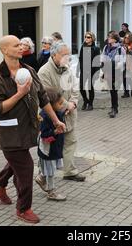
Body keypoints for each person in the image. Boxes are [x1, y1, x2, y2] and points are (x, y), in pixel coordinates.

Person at [0, 35, 66, 224]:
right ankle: (23, 209)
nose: (21, 47)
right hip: (9, 134)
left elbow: (43, 97)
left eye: (21, 44)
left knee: (17, 161)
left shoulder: (29, 70)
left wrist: (55, 121)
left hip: (28, 130)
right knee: (26, 167)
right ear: (5, 50)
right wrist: (19, 94)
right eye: (16, 45)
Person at [38, 42, 86, 181]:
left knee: (71, 141)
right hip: (52, 116)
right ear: (54, 55)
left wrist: (74, 103)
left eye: (68, 54)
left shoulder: (67, 68)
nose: (67, 57)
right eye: (64, 54)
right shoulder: (44, 72)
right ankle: (42, 174)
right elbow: (46, 96)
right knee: (50, 146)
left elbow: (75, 87)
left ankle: (70, 171)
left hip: (69, 113)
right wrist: (66, 105)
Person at [36, 88, 67, 201]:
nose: (62, 104)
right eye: (60, 103)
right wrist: (54, 132)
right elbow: (44, 135)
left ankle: (41, 178)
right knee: (50, 172)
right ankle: (51, 191)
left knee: (50, 169)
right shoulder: (44, 116)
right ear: (51, 104)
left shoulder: (57, 112)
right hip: (48, 150)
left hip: (54, 147)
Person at [101, 32, 126, 118]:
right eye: (108, 37)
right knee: (111, 90)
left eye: (110, 37)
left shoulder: (120, 49)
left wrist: (117, 65)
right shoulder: (106, 47)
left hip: (117, 71)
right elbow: (103, 58)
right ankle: (114, 107)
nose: (108, 38)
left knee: (114, 90)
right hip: (108, 70)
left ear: (115, 39)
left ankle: (114, 109)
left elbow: (123, 60)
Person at [78, 32, 100, 110]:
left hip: (92, 71)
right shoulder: (83, 47)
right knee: (81, 88)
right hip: (84, 70)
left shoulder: (96, 49)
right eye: (86, 37)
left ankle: (90, 104)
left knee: (90, 88)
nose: (86, 39)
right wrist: (79, 69)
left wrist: (96, 73)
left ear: (92, 39)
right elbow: (80, 58)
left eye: (88, 37)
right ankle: (85, 100)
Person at [122, 32, 132, 97]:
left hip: (131, 63)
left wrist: (129, 50)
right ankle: (126, 92)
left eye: (128, 38)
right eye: (125, 37)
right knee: (124, 78)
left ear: (130, 38)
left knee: (128, 78)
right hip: (123, 63)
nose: (126, 39)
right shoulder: (122, 45)